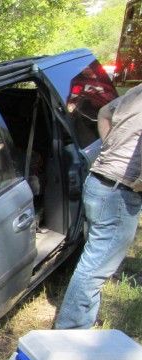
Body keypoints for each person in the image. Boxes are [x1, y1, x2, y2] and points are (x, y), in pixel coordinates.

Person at [55, 84, 142, 330]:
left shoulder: (137, 92)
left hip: (98, 182)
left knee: (95, 257)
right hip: (119, 191)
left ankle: (82, 318)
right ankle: (71, 330)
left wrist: (109, 147)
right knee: (96, 267)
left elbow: (104, 112)